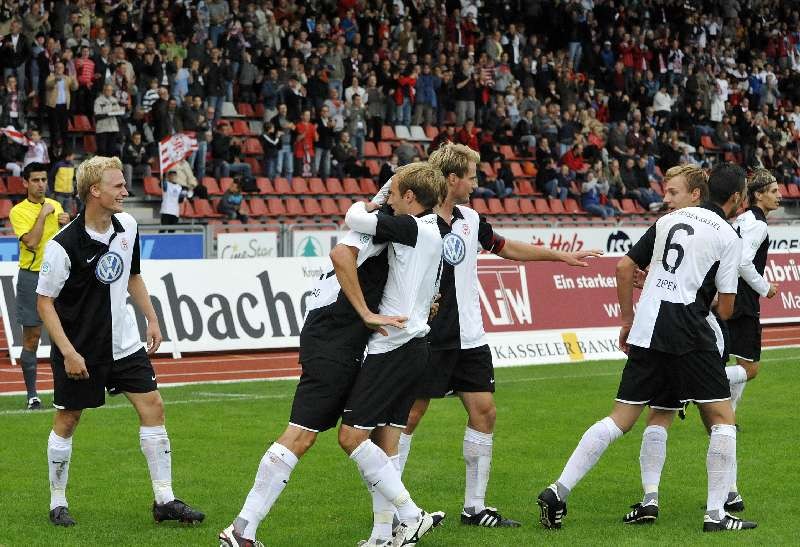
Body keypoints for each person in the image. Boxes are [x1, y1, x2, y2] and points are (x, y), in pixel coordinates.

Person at [379, 143, 601, 531]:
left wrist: (559, 256)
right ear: (452, 179)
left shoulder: (470, 219)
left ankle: (475, 508)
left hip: (470, 336)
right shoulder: (416, 221)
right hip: (428, 336)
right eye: (471, 176)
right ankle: (394, 513)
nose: (476, 183)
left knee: (484, 412)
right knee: (408, 417)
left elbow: (506, 247)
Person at [536, 163, 757, 533]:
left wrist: (627, 320)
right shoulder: (727, 235)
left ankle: (558, 489)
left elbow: (624, 268)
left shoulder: (668, 221)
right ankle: (716, 514)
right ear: (736, 198)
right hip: (689, 330)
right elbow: (726, 309)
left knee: (621, 418)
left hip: (648, 327)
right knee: (722, 418)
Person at [218, 194, 397, 547]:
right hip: (334, 338)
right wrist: (365, 312)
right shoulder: (381, 227)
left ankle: (388, 530)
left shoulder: (373, 223)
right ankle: (241, 529)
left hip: (338, 336)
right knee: (302, 434)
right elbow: (341, 255)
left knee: (377, 433)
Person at [36, 156, 204, 527]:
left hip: (125, 343)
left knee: (153, 407)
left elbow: (132, 276)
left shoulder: (127, 225)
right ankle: (57, 502)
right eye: (118, 186)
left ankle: (164, 499)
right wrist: (68, 352)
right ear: (95, 191)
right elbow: (44, 302)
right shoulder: (63, 245)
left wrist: (152, 318)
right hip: (81, 348)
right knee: (68, 419)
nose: (126, 192)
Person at [339, 162, 448, 546]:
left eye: (395, 193)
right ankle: (382, 536)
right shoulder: (435, 230)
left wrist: (368, 202)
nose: (390, 200)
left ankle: (412, 515)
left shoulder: (410, 227)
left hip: (394, 346)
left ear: (410, 197)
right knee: (387, 445)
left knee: (351, 437)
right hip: (415, 346)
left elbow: (353, 218)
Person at [9, 162, 69, 410]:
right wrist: (43, 215)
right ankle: (32, 395)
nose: (41, 184)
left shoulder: (56, 205)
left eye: (44, 179)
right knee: (32, 338)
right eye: (35, 180)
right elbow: (32, 242)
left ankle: (63, 392)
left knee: (61, 337)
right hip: (32, 277)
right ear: (25, 183)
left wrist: (67, 223)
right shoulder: (18, 211)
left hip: (58, 277)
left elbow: (66, 242)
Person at [725, 169, 781, 412]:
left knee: (740, 361)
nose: (779, 196)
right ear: (758, 194)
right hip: (743, 299)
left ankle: (726, 419)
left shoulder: (742, 219)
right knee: (750, 368)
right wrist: (766, 287)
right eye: (773, 191)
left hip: (727, 294)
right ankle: (699, 379)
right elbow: (743, 263)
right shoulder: (758, 225)